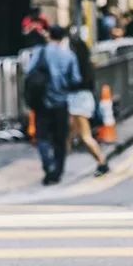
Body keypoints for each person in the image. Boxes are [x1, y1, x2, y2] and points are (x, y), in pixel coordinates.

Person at [26, 25, 81, 185]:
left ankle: (48, 165)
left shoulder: (40, 52)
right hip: (61, 102)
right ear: (63, 37)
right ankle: (57, 171)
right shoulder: (69, 55)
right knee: (60, 138)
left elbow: (29, 72)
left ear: (49, 35)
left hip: (42, 102)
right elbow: (76, 79)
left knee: (42, 136)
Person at [68, 35, 110, 177]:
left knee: (85, 137)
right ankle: (57, 166)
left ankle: (102, 162)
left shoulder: (76, 65)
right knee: (69, 134)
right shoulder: (86, 63)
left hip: (79, 101)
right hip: (82, 99)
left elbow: (75, 82)